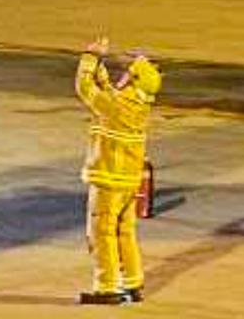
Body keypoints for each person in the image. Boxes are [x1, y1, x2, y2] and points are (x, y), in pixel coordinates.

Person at [75, 36, 162, 306]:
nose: (122, 76)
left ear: (133, 80)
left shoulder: (116, 107)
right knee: (125, 231)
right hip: (128, 182)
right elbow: (106, 90)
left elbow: (86, 89)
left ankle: (107, 287)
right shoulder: (136, 106)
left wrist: (89, 58)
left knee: (101, 232)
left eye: (128, 73)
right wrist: (99, 64)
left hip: (108, 180)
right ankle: (132, 282)